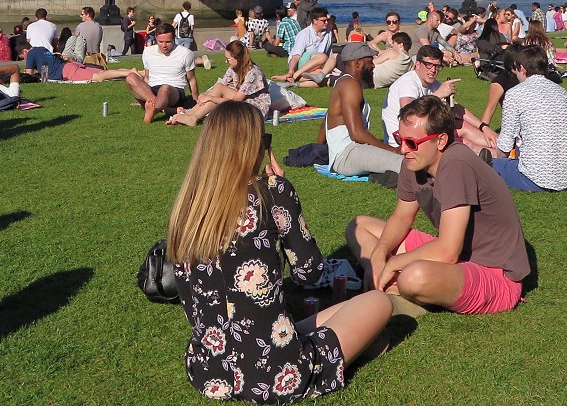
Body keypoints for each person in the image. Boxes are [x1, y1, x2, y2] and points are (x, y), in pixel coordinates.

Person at [168, 101, 391, 402]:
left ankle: (357, 342)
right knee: (378, 302)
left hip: (209, 369)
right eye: (265, 141)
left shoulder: (187, 208)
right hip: (276, 374)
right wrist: (283, 192)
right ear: (253, 147)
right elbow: (310, 274)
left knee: (336, 316)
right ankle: (356, 348)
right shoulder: (272, 192)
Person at [348, 95, 531, 315]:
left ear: (441, 141)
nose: (404, 149)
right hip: (459, 257)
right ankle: (382, 282)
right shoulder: (414, 161)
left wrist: (394, 263)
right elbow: (402, 217)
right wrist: (379, 254)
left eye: (412, 143)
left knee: (414, 277)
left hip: (496, 275)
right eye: (399, 139)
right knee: (358, 227)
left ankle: (398, 290)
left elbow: (447, 252)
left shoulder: (456, 164)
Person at [491, 45, 567, 192]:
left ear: (522, 69)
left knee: (488, 164)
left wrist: (501, 161)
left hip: (534, 178)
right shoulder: (563, 93)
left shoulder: (514, 94)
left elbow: (505, 143)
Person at [320, 42, 404, 178]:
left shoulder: (344, 82)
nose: (373, 65)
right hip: (348, 154)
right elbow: (357, 134)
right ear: (358, 64)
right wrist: (394, 150)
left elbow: (326, 121)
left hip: (347, 153)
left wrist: (320, 149)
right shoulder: (349, 85)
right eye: (370, 62)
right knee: (402, 162)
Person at [167, 40, 269, 126]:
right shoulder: (233, 69)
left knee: (217, 92)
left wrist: (210, 98)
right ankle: (188, 116)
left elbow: (236, 100)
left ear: (239, 59)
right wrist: (206, 95)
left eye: (228, 59)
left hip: (255, 108)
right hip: (242, 102)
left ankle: (192, 117)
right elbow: (221, 86)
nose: (226, 62)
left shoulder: (253, 73)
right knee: (216, 92)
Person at [126, 24, 199, 123]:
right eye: (160, 42)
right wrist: (142, 93)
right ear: (155, 38)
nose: (164, 45)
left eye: (168, 42)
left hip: (174, 91)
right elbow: (147, 77)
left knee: (165, 88)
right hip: (153, 89)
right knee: (131, 77)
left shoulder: (185, 53)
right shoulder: (147, 52)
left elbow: (191, 79)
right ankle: (165, 109)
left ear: (174, 39)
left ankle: (152, 112)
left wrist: (196, 100)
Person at [281, 7, 336, 86]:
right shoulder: (304, 34)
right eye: (324, 21)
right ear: (315, 21)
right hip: (302, 61)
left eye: (327, 20)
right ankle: (295, 75)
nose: (326, 22)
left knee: (323, 73)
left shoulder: (328, 33)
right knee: (322, 58)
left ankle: (297, 78)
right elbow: (296, 55)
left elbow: (329, 53)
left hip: (316, 63)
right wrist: (290, 71)